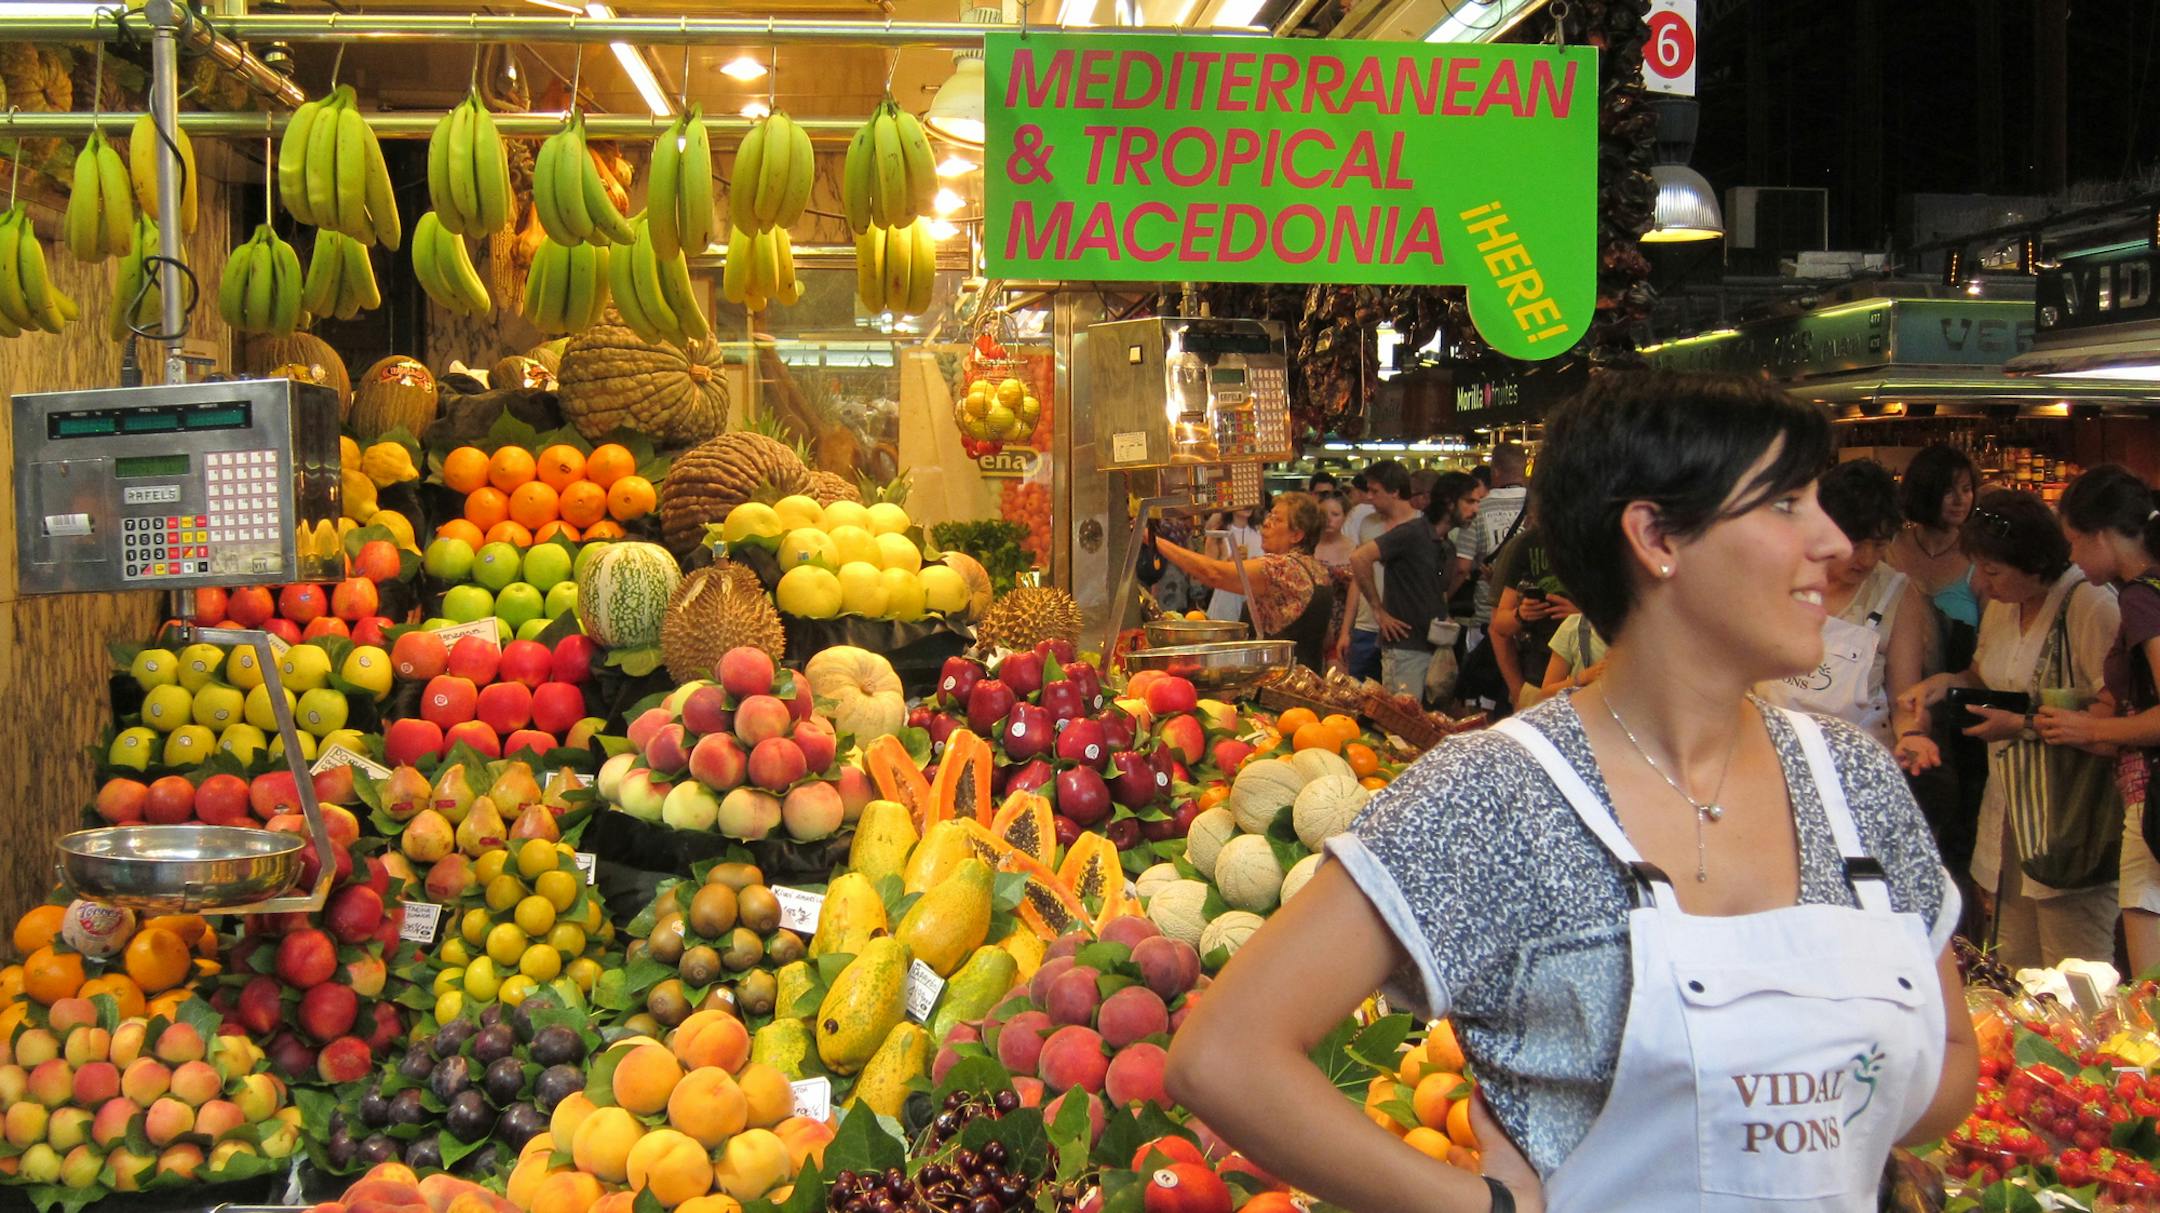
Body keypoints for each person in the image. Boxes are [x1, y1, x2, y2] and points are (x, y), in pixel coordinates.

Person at [1165, 372, 1972, 1213]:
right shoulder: (1496, 796)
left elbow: (1951, 1055)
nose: (1835, 541)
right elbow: (1225, 1056)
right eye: (1785, 503)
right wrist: (1479, 1207)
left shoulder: (1855, 781)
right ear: (1656, 536)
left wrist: (1804, 1114)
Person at [1899, 490, 2120, 970]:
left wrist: (2021, 724)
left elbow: (2114, 720)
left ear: (2034, 564)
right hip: (2008, 816)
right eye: (1978, 570)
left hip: (2069, 822)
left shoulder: (2089, 604)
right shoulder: (2003, 604)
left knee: (2076, 972)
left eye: (1993, 572)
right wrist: (1942, 684)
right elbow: (1983, 676)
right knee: (2014, 970)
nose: (1982, 583)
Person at [2036, 465, 2160, 974]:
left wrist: (2091, 729)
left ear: (2103, 535)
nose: (2071, 556)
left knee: (2149, 983)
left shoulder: (2140, 596)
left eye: (2075, 541)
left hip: (2151, 800)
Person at [1756, 459, 1933, 748]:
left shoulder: (1897, 595)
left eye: (1879, 545)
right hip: (1771, 748)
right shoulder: (1777, 576)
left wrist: (1912, 736)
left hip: (1860, 755)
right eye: (1855, 543)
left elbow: (1904, 700)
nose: (1867, 559)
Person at [1154, 493, 1337, 669]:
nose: (1266, 523)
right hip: (1308, 678)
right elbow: (1327, 637)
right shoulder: (1317, 569)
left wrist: (1156, 542)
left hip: (1279, 678)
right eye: (1269, 516)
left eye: (1277, 520)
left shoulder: (1282, 568)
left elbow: (1213, 573)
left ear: (1296, 535)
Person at [1347, 462, 1445, 699]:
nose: (1369, 497)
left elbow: (1439, 580)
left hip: (1406, 632)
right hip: (1368, 626)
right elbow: (1358, 570)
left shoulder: (1422, 526)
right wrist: (1353, 625)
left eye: (1375, 491)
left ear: (1394, 491)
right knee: (1362, 700)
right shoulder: (1368, 523)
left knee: (1402, 706)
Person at [1890, 445, 1983, 667]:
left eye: (1966, 489)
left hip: (1959, 683)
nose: (1960, 500)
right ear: (1924, 492)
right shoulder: (1888, 549)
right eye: (1948, 491)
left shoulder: (1979, 558)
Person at [1484, 520, 1580, 711]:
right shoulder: (1525, 544)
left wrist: (1582, 616)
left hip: (1587, 679)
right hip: (1536, 674)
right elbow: (1499, 626)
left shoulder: (1600, 538)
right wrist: (1521, 614)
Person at [1455, 442, 1531, 644]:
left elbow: (1462, 567)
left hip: (1487, 619)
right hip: (1529, 618)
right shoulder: (1539, 507)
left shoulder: (1478, 509)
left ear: (1495, 470)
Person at [1204, 508, 1264, 622]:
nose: (1247, 505)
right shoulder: (1219, 533)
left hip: (1255, 601)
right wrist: (1227, 564)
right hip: (1227, 602)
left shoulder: (1262, 532)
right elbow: (1208, 572)